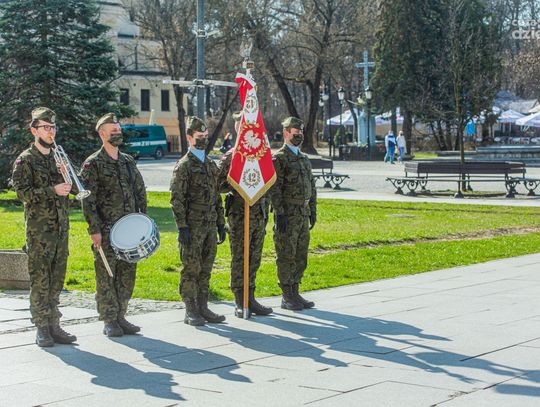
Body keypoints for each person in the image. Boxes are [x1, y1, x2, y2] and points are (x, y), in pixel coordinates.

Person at [11, 107, 77, 347]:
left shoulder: (59, 157)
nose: (51, 132)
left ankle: (54, 325)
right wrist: (52, 190)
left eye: (53, 127)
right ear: (34, 131)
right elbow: (22, 194)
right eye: (46, 127)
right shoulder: (25, 160)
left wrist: (68, 175)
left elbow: (76, 189)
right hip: (39, 233)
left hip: (61, 230)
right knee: (41, 280)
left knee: (57, 279)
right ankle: (41, 327)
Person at [79, 113, 147, 337]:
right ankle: (109, 319)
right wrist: (94, 230)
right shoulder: (93, 163)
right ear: (102, 134)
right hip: (107, 230)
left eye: (118, 129)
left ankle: (121, 316)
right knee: (106, 275)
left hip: (130, 230)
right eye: (113, 130)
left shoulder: (127, 161)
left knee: (127, 274)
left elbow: (140, 191)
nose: (118, 133)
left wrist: (143, 221)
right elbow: (87, 200)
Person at [170, 116, 227, 326]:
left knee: (206, 268)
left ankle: (203, 306)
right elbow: (177, 199)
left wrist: (220, 223)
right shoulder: (184, 165)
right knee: (191, 268)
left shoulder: (210, 164)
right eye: (199, 136)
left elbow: (216, 195)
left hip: (210, 224)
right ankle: (190, 309)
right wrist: (182, 227)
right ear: (189, 137)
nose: (203, 139)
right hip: (192, 226)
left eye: (205, 136)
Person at [217, 111, 273, 318]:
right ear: (237, 128)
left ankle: (251, 297)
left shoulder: (260, 154)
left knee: (255, 258)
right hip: (240, 215)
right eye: (243, 124)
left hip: (259, 214)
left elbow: (268, 181)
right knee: (240, 258)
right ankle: (240, 299)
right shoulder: (232, 156)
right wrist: (236, 183)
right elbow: (218, 185)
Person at [270, 117, 317, 311]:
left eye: (301, 133)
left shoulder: (304, 158)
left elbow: (311, 186)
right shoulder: (279, 158)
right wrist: (279, 213)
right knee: (286, 254)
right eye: (295, 133)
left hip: (302, 213)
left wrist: (313, 210)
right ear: (286, 133)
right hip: (288, 214)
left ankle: (295, 290)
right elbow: (275, 188)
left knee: (300, 254)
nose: (299, 136)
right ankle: (287, 295)